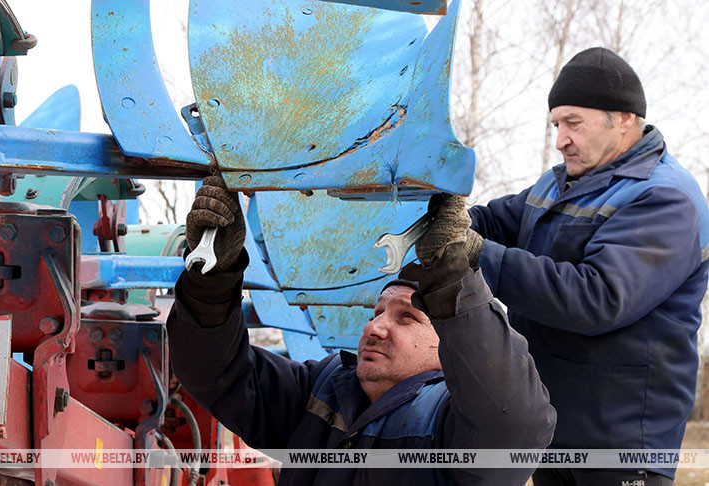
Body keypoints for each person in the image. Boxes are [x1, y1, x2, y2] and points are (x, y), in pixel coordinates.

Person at [422, 47, 709, 485]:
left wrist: (473, 249)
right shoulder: (560, 184)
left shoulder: (665, 199)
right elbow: (496, 222)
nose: (561, 139)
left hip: (620, 446)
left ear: (625, 118)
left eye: (573, 122)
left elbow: (596, 299)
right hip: (556, 434)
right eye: (556, 124)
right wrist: (440, 217)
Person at [167, 176, 556, 485]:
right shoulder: (322, 391)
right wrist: (213, 279)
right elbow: (213, 373)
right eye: (377, 311)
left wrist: (454, 279)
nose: (376, 326)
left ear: (450, 345)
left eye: (407, 317)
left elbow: (516, 425)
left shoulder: (448, 423)